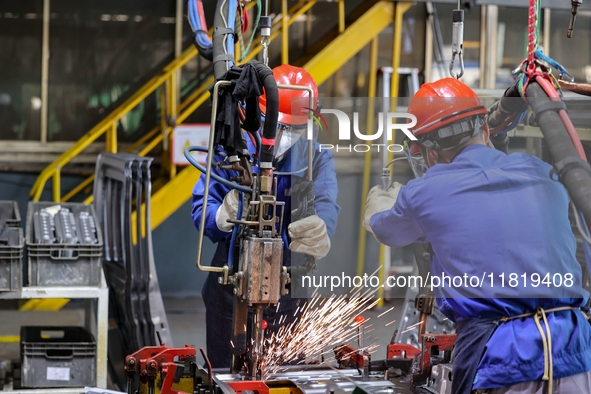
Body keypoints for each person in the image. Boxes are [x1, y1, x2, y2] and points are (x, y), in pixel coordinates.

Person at [364, 78, 591, 394]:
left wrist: (377, 206)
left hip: (503, 361)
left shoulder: (425, 192)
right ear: (485, 129)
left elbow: (386, 230)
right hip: (575, 350)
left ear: (428, 152)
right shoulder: (542, 172)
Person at [192, 64, 340, 368]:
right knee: (224, 374)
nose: (283, 135)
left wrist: (321, 229)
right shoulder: (230, 150)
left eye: (294, 128)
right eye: (276, 124)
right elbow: (202, 205)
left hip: (289, 285)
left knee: (286, 376)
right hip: (231, 279)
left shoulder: (316, 156)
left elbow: (325, 203)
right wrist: (219, 217)